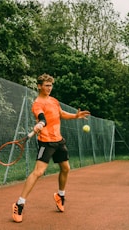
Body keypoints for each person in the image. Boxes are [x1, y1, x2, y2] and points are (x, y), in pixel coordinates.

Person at [12, 73, 90, 223]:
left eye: (51, 85)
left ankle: (60, 195)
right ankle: (19, 204)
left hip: (59, 140)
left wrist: (75, 116)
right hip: (46, 142)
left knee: (66, 168)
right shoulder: (37, 103)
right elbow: (42, 117)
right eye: (46, 85)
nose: (49, 88)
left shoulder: (54, 101)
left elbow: (60, 114)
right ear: (39, 86)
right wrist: (40, 123)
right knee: (38, 172)